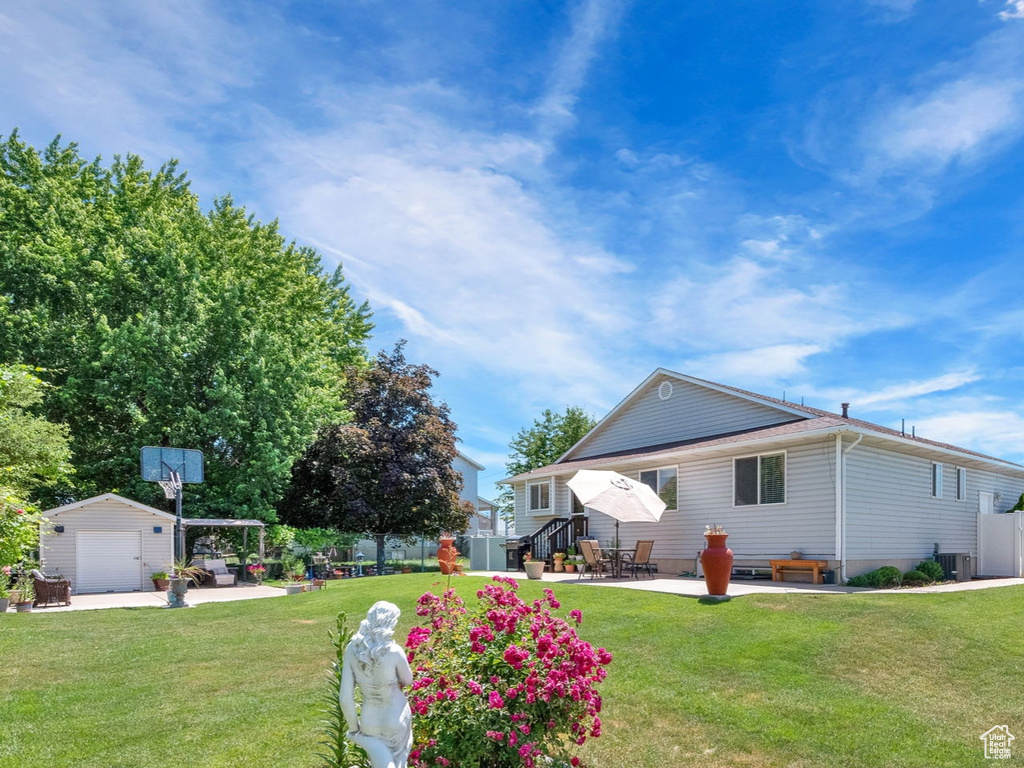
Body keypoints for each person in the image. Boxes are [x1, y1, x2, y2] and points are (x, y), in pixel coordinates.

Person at [341, 601, 414, 768]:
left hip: (370, 719)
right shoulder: (394, 651)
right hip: (396, 717)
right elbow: (408, 680)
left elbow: (345, 698)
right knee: (399, 763)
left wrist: (354, 731)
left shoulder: (353, 650)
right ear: (389, 622)